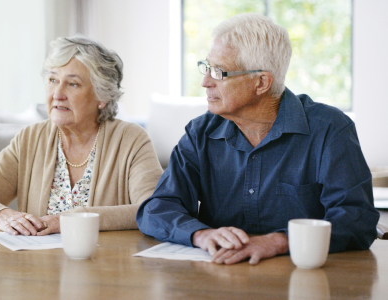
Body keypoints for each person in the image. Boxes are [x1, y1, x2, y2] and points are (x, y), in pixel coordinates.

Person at [136, 13, 379, 265]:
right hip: (220, 275)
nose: (205, 81)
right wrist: (200, 234)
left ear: (261, 82)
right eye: (206, 67)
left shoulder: (330, 129)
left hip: (304, 276)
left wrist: (278, 241)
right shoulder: (200, 133)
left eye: (218, 72)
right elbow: (157, 208)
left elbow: (356, 218)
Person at [0, 35, 163, 236]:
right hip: (39, 266)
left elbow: (154, 209)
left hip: (106, 265)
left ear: (102, 96)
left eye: (73, 84)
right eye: (53, 80)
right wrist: (2, 215)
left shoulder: (131, 139)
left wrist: (73, 218)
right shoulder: (30, 139)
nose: (57, 93)